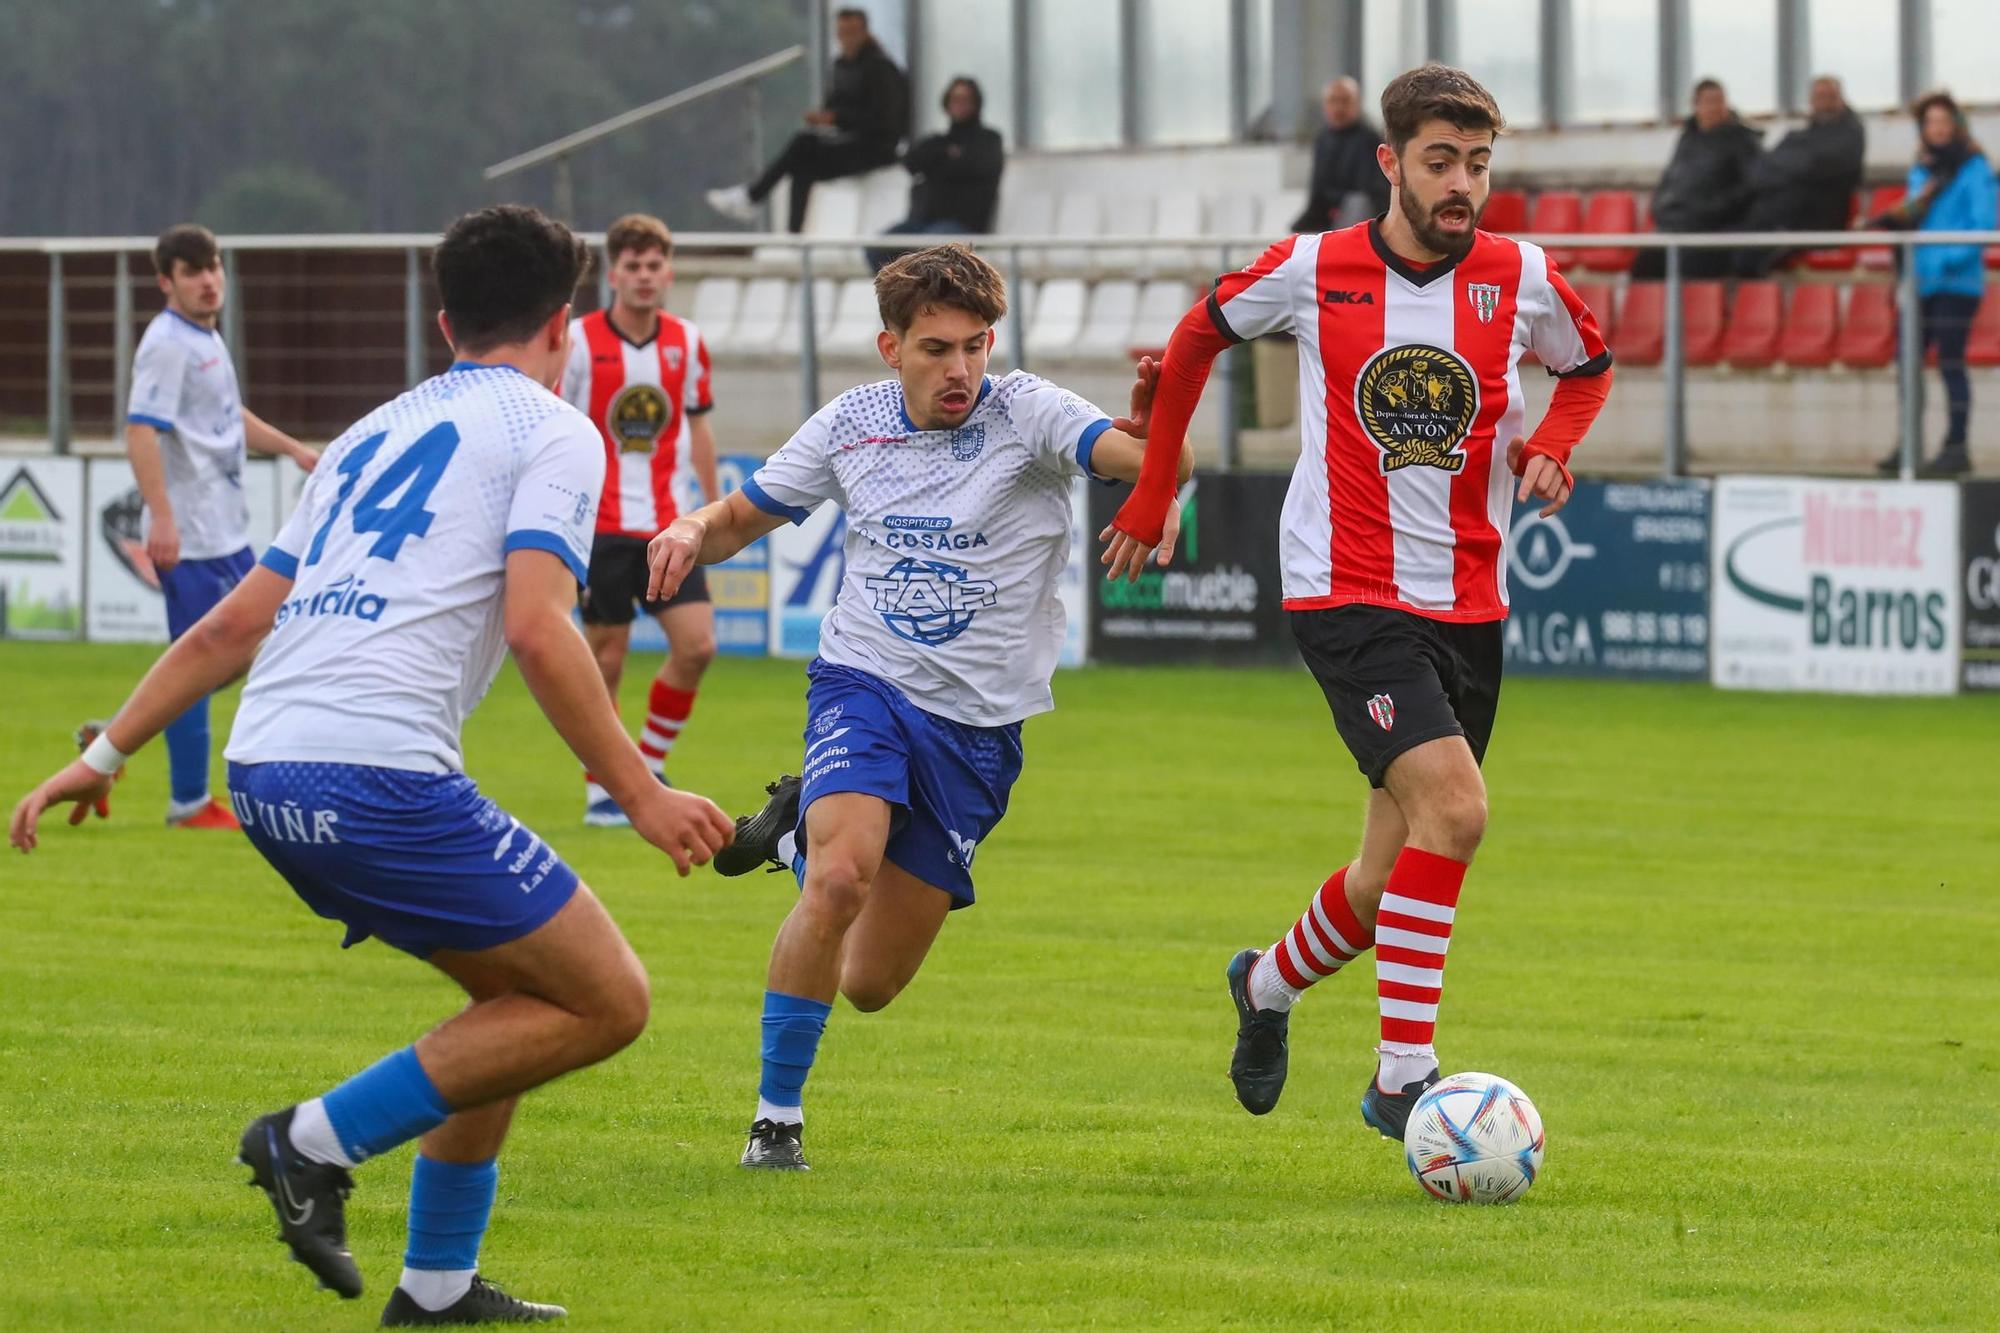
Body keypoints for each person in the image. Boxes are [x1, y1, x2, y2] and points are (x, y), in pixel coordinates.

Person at [10, 205, 735, 1325]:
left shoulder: (366, 431)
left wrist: (104, 755)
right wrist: (637, 793)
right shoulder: (555, 429)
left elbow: (227, 631)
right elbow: (542, 627)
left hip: (266, 771)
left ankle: (436, 1288)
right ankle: (307, 1140)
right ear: (565, 323)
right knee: (608, 1000)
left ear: (445, 319)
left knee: (514, 996)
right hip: (371, 775)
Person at [1101, 64, 1613, 1144]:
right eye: (1439, 162)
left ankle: (1265, 987)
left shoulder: (1520, 275)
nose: (1460, 183)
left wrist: (1552, 449)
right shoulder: (1310, 266)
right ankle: (1402, 1076)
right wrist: (1153, 491)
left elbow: (1589, 366)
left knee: (1386, 880)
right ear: (1388, 163)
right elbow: (1195, 337)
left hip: (1470, 601)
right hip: (1346, 589)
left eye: (1476, 163)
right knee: (1459, 813)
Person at [642, 243, 1190, 1171]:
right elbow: (743, 516)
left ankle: (786, 834)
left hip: (978, 732)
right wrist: (692, 526)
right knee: (842, 879)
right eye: (937, 348)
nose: (962, 369)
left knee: (868, 982)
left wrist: (1156, 461)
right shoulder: (850, 423)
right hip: (865, 685)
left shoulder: (1027, 410)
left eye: (977, 345)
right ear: (889, 345)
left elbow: (1126, 455)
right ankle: (777, 1118)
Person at [122, 223, 318, 829]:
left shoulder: (203, 337)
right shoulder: (167, 344)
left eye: (213, 267)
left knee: (249, 652)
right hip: (196, 538)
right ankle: (186, 802)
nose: (208, 281)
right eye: (192, 271)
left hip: (226, 532)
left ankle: (118, 732)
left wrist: (292, 449)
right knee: (210, 659)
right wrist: (162, 516)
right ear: (166, 282)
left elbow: (227, 417)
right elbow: (140, 429)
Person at [560, 213, 721, 823]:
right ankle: (603, 788)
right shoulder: (578, 341)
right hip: (598, 524)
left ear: (668, 271)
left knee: (698, 644)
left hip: (668, 523)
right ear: (614, 274)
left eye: (655, 266)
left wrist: (712, 509)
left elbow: (697, 425)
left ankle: (648, 762)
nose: (645, 277)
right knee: (606, 658)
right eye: (633, 266)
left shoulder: (687, 341)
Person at [1871, 90, 1995, 478]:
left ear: (1956, 126)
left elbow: (1982, 225)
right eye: (1930, 123)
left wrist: (1942, 259)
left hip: (1956, 282)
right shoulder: (1921, 169)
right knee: (1908, 362)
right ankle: (1908, 440)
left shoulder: (1975, 169)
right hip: (1921, 280)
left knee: (1949, 362)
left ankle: (1956, 445)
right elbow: (1915, 217)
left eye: (1944, 122)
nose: (1938, 130)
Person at [707, 8, 908, 232]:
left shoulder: (880, 67)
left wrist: (837, 117)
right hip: (850, 142)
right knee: (802, 165)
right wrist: (824, 118)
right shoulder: (841, 66)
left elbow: (884, 120)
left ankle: (752, 196)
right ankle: (794, 234)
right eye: (842, 32)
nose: (846, 38)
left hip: (876, 148)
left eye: (852, 31)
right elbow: (836, 105)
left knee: (803, 143)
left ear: (863, 32)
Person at [864, 77, 1004, 274]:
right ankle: (897, 299)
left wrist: (943, 162)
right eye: (955, 100)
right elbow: (911, 161)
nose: (960, 105)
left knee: (930, 249)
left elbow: (975, 165)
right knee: (878, 249)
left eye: (965, 100)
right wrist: (948, 155)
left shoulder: (988, 140)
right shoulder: (939, 141)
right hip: (923, 222)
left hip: (962, 224)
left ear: (976, 103)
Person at [1733, 75, 1865, 278]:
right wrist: (1790, 169)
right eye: (1819, 96)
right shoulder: (1798, 137)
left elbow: (1816, 167)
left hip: (1815, 221)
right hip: (1773, 216)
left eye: (1829, 96)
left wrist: (1785, 168)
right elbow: (1759, 173)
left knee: (1750, 257)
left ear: (1841, 99)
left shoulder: (1849, 136)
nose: (1824, 102)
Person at [1632, 78, 1761, 279]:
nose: (1714, 108)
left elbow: (1750, 187)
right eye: (1708, 101)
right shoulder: (1687, 139)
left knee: (1690, 268)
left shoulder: (1742, 140)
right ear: (1696, 105)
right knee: (1645, 266)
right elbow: (1669, 179)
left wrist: (1711, 210)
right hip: (1673, 226)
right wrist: (1660, 208)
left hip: (1713, 231)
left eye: (1719, 101)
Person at [1292, 77, 1391, 233]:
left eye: (1345, 101)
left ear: (1357, 104)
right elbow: (1318, 190)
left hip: (1362, 214)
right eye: (1333, 101)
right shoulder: (1323, 139)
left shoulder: (1369, 138)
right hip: (1329, 212)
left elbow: (1369, 190)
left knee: (1357, 203)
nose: (1339, 108)